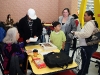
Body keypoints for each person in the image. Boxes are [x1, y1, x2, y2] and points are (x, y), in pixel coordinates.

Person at [72, 10, 98, 75]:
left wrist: (76, 33)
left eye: (85, 15)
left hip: (88, 46)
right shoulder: (90, 23)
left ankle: (82, 73)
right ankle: (84, 71)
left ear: (90, 16)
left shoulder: (90, 24)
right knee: (86, 60)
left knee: (85, 61)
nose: (84, 17)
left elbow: (86, 34)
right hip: (87, 45)